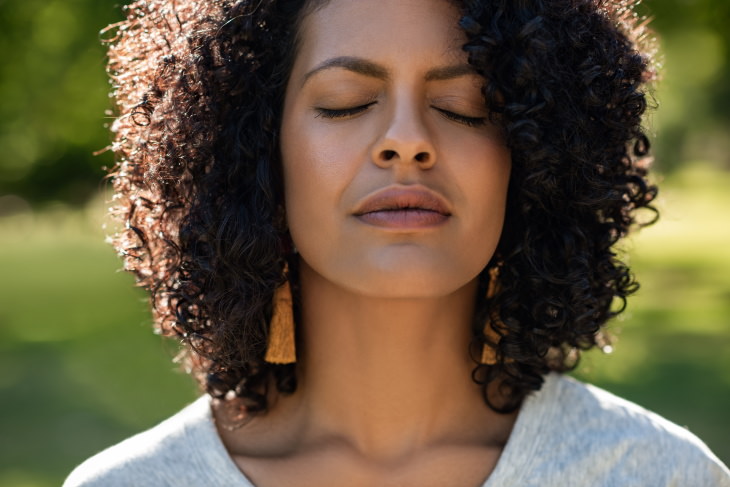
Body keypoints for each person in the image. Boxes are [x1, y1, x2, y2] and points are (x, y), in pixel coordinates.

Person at [65, 0, 730, 485]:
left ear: (532, 158)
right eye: (347, 101)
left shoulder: (658, 473)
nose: (407, 139)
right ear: (254, 149)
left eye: (466, 106)